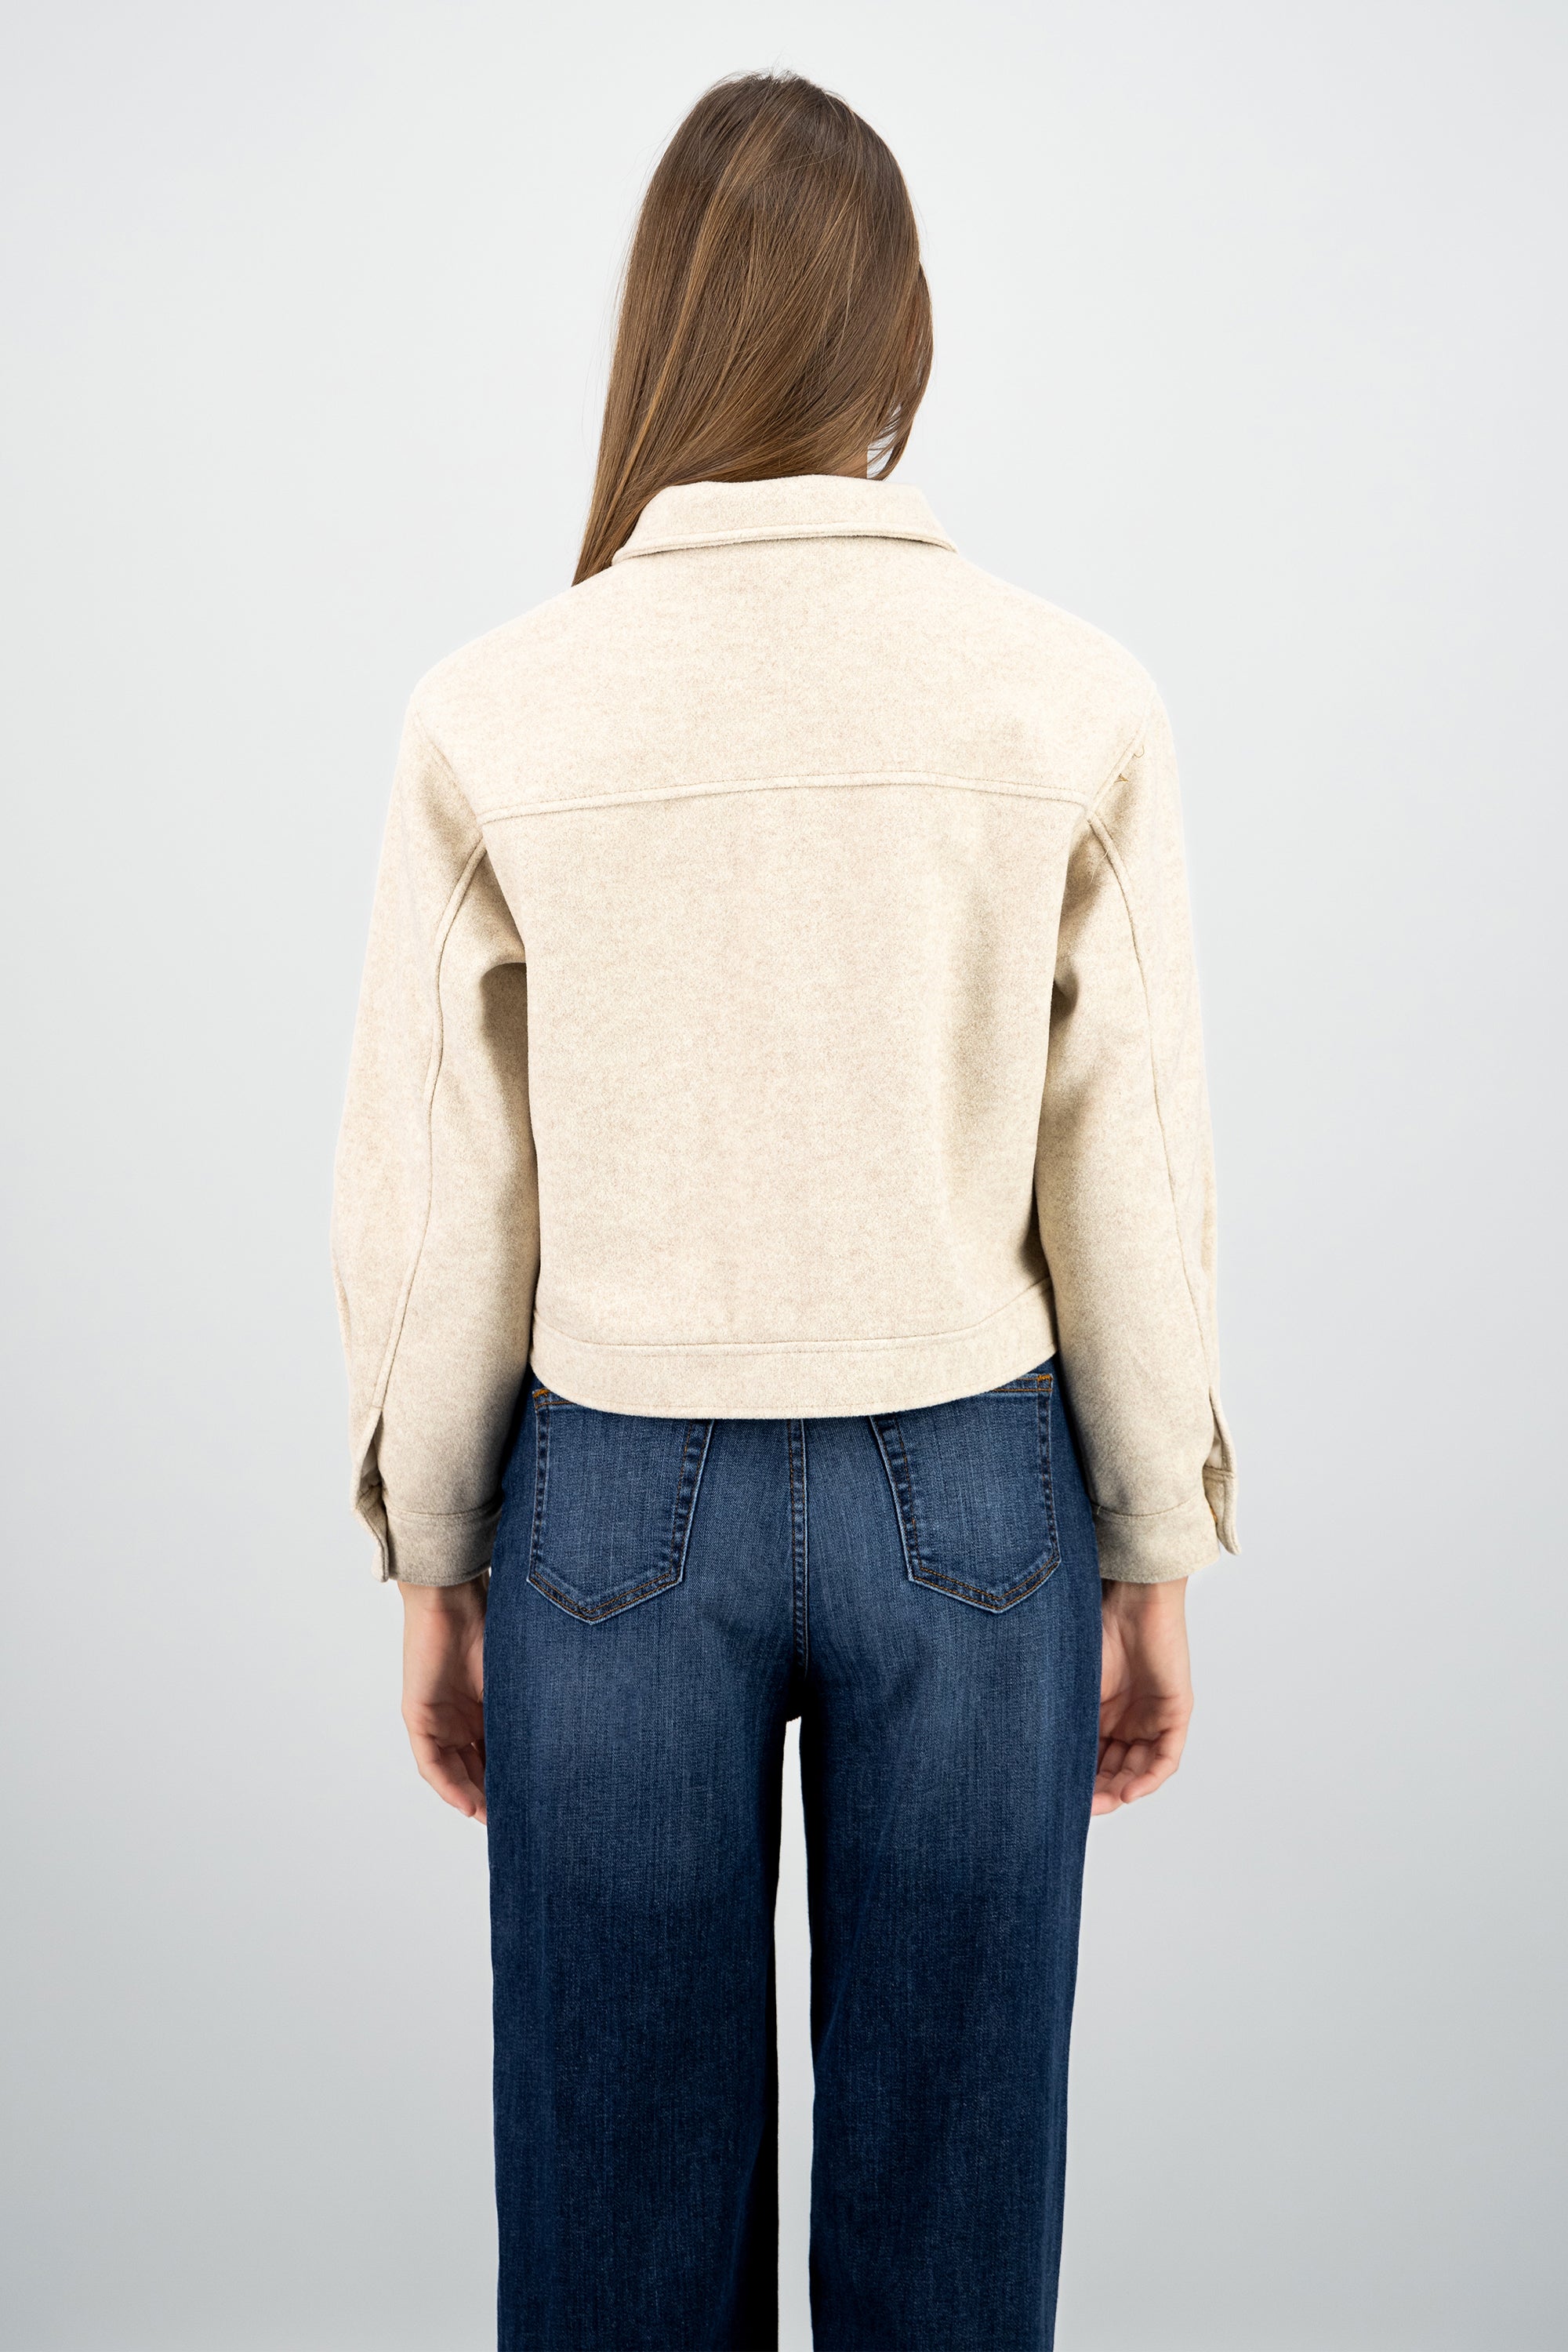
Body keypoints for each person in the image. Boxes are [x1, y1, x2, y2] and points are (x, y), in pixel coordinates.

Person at [332, 67, 1237, 2352]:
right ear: (902, 340)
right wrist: (1152, 1548)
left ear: (660, 329)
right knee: (955, 2254)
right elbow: (1125, 1162)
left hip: (611, 1505)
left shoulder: (496, 711)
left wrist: (436, 1556)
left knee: (618, 2256)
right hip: (983, 1498)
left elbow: (446, 1190)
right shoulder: (1071, 698)